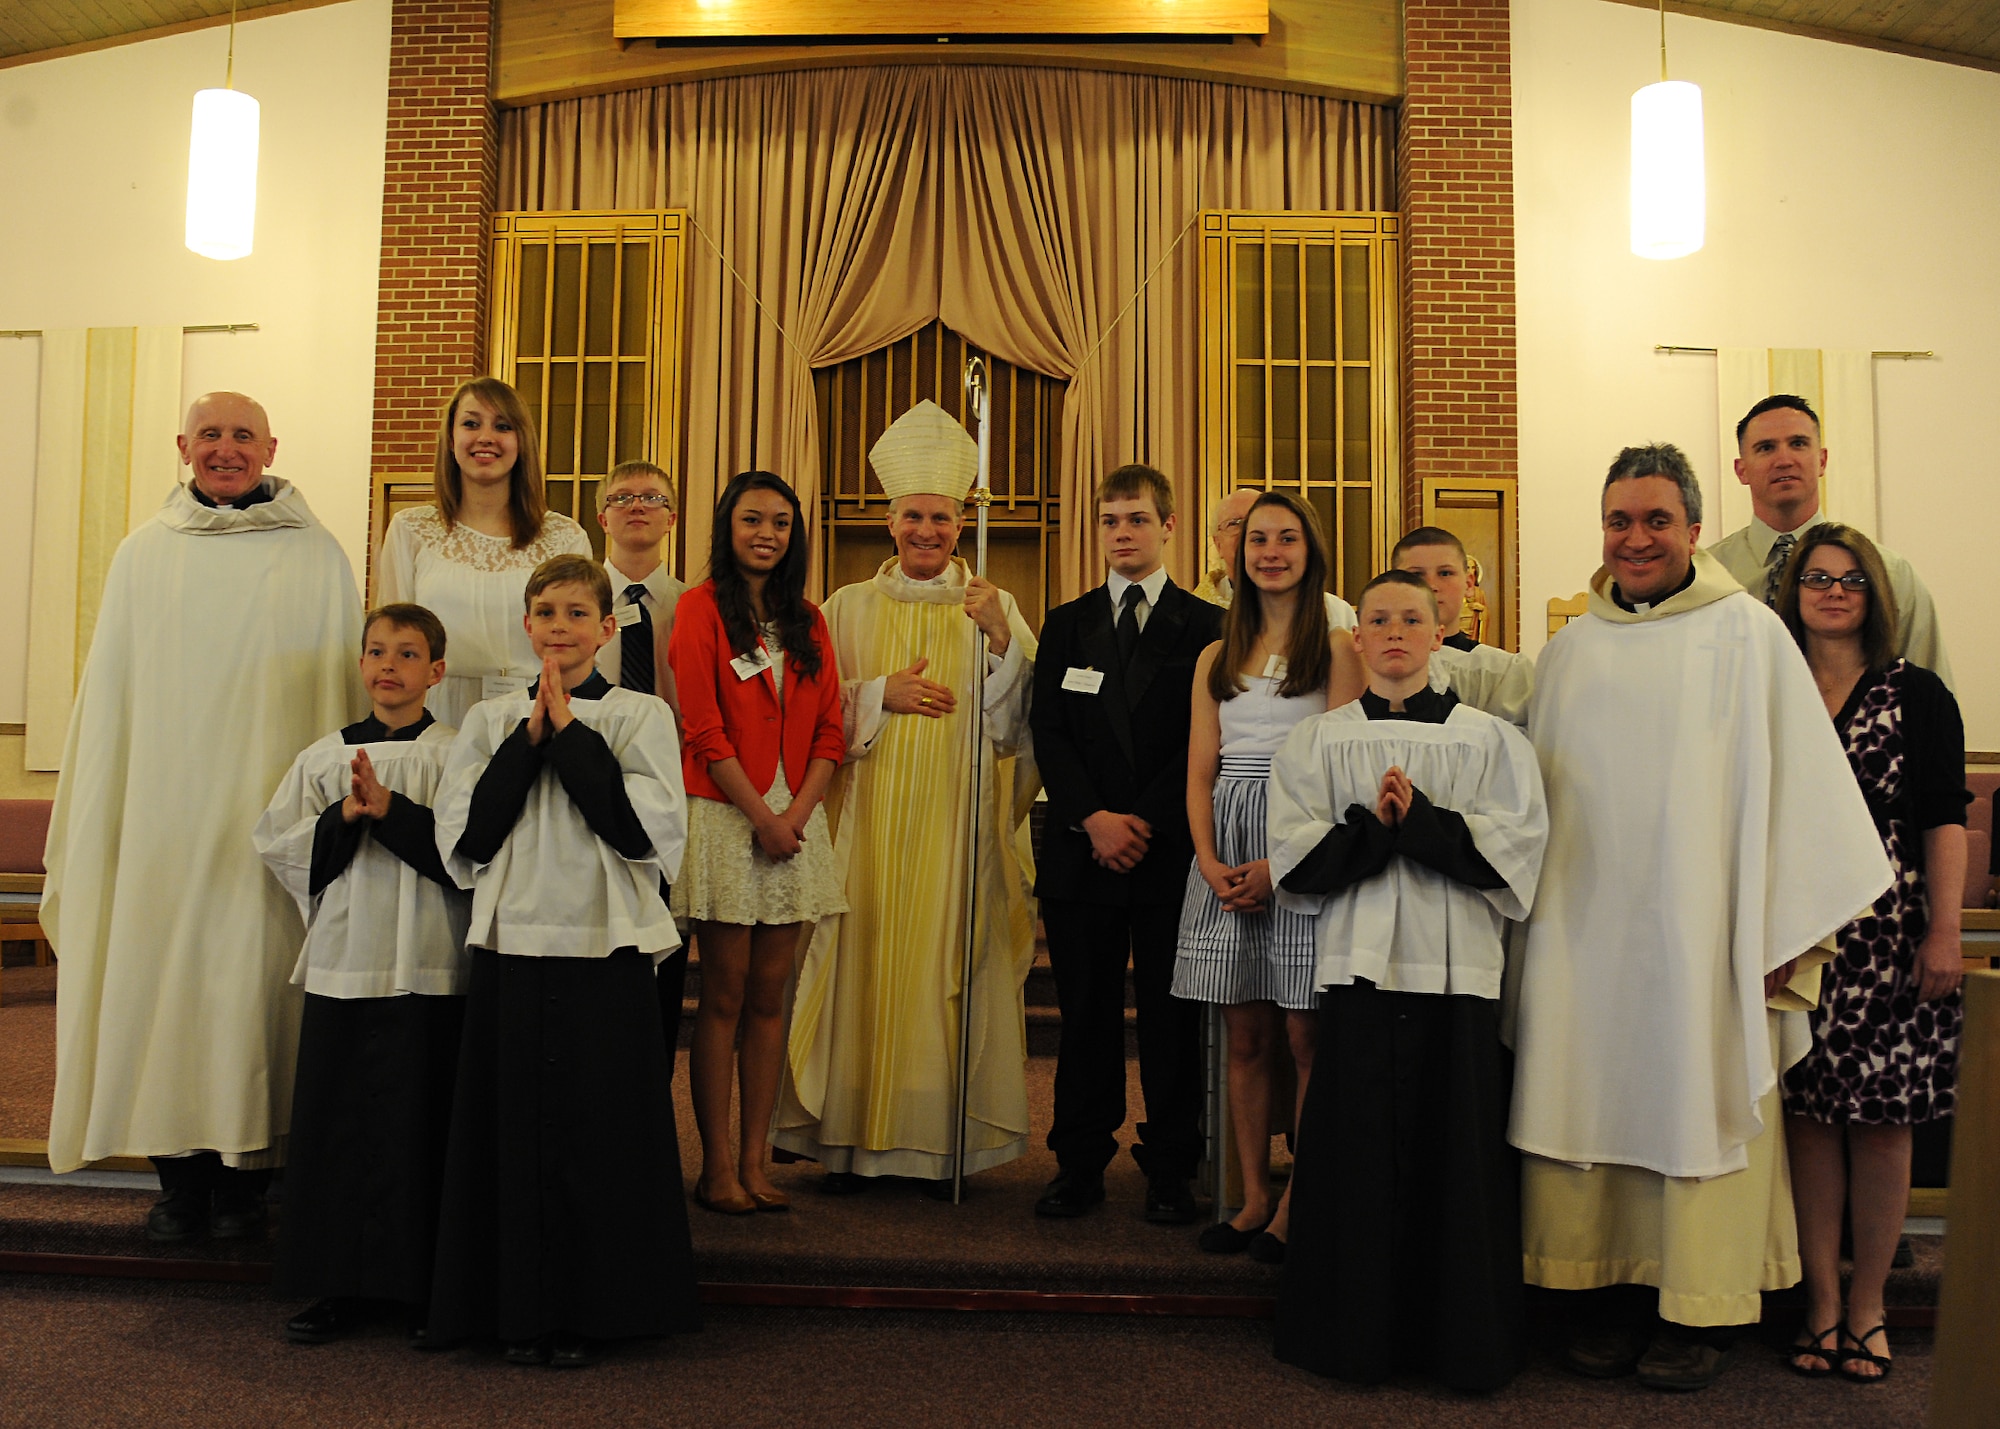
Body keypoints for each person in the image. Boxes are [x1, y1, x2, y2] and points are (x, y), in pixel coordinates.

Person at [1507, 443, 1891, 1392]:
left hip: (1703, 942)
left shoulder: (1748, 636)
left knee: (1697, 1095)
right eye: (1618, 520)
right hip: (1583, 940)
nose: (1635, 539)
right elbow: (1530, 806)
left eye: (1655, 520)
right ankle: (1601, 1297)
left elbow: (1802, 795)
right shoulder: (1569, 651)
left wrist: (1782, 938)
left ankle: (1699, 1313)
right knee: (1585, 1094)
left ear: (1690, 525)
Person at [44, 391, 362, 1239]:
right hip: (164, 819)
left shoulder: (315, 554)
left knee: (254, 989)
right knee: (165, 989)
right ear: (183, 446)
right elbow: (113, 700)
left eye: (243, 436)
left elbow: (334, 693)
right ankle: (177, 1181)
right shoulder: (144, 555)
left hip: (268, 819)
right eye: (211, 435)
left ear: (271, 448)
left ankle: (246, 1186)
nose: (227, 449)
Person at [1268, 569, 1548, 1390]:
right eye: (1379, 619)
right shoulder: (1317, 742)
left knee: (1454, 1156)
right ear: (1359, 639)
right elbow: (1295, 856)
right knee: (1352, 1152)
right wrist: (1379, 829)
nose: (1394, 632)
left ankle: (1456, 1342)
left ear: (1438, 633)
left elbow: (1519, 851)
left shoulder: (1491, 741)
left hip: (1455, 972)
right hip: (1356, 973)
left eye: (1411, 619)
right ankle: (1347, 1337)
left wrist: (1417, 823)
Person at [428, 555, 696, 1368]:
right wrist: (529, 741)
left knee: (601, 1132)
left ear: (607, 628)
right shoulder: (487, 722)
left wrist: (570, 738)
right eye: (546, 612)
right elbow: (465, 839)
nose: (560, 628)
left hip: (602, 946)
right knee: (508, 1131)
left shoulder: (641, 715)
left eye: (578, 614)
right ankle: (512, 1306)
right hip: (513, 943)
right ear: (526, 623)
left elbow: (639, 831)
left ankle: (597, 1308)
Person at [771, 402, 1039, 1191]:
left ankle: (935, 1141)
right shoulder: (845, 607)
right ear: (889, 521)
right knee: (861, 965)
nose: (928, 530)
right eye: (914, 516)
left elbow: (1019, 730)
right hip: (866, 820)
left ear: (962, 524)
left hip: (957, 826)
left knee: (942, 972)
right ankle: (849, 1138)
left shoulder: (992, 606)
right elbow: (805, 712)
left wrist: (1001, 646)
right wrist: (874, 694)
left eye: (943, 518)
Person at [1770, 524, 1967, 1384]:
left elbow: (1943, 818)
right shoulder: (1768, 689)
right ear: (1794, 592)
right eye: (1816, 576)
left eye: (1851, 579)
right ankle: (1819, 1300)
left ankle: (1869, 1304)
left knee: (1882, 1125)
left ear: (1875, 594)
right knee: (1809, 1121)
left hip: (1893, 938)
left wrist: (1945, 929)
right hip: (1796, 937)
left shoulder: (1916, 693)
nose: (1833, 590)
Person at [255, 604, 470, 1345]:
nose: (389, 666)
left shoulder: (455, 754)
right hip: (346, 961)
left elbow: (474, 856)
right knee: (337, 1127)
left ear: (435, 671)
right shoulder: (323, 756)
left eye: (407, 654)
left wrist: (393, 811)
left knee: (423, 1124)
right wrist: (344, 817)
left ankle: (419, 1288)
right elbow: (280, 850)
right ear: (359, 664)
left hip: (431, 962)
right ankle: (335, 1283)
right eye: (376, 651)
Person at [1031, 464, 1225, 1223]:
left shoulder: (1208, 624)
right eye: (1111, 520)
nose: (1122, 533)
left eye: (1137, 519)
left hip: (1170, 851)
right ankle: (1078, 1161)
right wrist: (1094, 818)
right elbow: (1049, 731)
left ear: (1169, 527)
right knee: (1084, 1016)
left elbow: (1203, 740)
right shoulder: (1066, 622)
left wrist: (1142, 820)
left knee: (1172, 1018)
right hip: (1084, 852)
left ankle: (1172, 1165)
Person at [1175, 491, 1364, 1261]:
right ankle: (1253, 1197)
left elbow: (1343, 765)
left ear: (1310, 549)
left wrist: (1277, 864)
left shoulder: (1342, 644)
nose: (1271, 551)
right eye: (1258, 538)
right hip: (1226, 843)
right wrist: (1213, 861)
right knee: (1246, 1033)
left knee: (1305, 1029)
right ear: (1238, 552)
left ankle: (1300, 1201)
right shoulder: (1216, 652)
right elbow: (1198, 771)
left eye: (1287, 538)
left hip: (1302, 840)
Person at [668, 472, 846, 1215]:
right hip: (724, 811)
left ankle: (754, 1162)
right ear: (727, 527)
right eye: (751, 520)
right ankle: (714, 1167)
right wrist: (761, 815)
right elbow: (701, 727)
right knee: (725, 994)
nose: (766, 533)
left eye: (779, 521)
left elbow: (833, 727)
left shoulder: (809, 618)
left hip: (796, 820)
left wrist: (796, 813)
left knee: (772, 997)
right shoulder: (699, 608)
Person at [376, 377, 593, 727]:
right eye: (471, 423)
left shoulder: (564, 537)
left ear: (521, 441)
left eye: (503, 426)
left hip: (534, 714)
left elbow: (578, 649)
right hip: (435, 716)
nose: (485, 437)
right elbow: (393, 641)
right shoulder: (410, 529)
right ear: (450, 439)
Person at [1710, 394, 1952, 684]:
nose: (1784, 460)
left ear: (1822, 460)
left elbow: (1933, 707)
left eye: (1798, 444)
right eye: (1766, 448)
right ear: (1741, 470)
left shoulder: (1890, 574)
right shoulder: (1709, 577)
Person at [593, 459, 690, 1075]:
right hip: (586, 794)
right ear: (601, 516)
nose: (637, 506)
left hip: (670, 797)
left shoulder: (696, 605)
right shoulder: (572, 598)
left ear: (671, 518)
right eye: (622, 497)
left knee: (661, 961)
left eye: (652, 497)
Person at [1393, 526, 1535, 725]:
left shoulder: (1502, 672)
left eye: (1445, 573)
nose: (1431, 585)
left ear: (1469, 584)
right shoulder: (1371, 663)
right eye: (1416, 575)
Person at [1194, 486, 1358, 630]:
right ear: (1218, 544)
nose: (1270, 552)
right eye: (1235, 523)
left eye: (1287, 539)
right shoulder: (1198, 616)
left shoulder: (1335, 614)